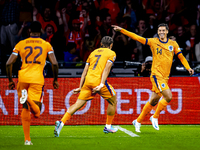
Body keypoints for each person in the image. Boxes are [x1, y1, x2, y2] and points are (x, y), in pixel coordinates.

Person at [112, 23, 194, 132]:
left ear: (167, 32)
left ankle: (138, 121)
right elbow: (137, 37)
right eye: (159, 30)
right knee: (168, 96)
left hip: (165, 77)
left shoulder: (173, 44)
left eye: (163, 30)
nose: (161, 32)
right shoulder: (153, 41)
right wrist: (122, 30)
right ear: (158, 32)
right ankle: (155, 117)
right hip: (156, 75)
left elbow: (181, 57)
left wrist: (188, 68)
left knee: (153, 101)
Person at [6, 21, 59, 145]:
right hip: (37, 79)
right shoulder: (46, 45)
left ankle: (27, 140)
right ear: (41, 31)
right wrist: (55, 80)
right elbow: (55, 63)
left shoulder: (21, 44)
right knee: (37, 113)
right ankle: (28, 98)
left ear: (29, 31)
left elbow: (8, 63)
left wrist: (10, 80)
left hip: (23, 78)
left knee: (25, 108)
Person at [54, 36, 118, 137]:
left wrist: (80, 86)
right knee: (113, 101)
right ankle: (108, 126)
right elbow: (107, 69)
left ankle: (61, 123)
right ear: (111, 45)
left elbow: (85, 70)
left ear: (101, 44)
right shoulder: (111, 53)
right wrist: (101, 84)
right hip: (98, 81)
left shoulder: (93, 53)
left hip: (87, 81)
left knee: (77, 105)